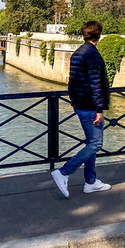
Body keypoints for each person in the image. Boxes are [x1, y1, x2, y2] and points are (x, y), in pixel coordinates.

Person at [51, 21, 112, 197]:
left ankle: (91, 182)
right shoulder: (92, 54)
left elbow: (72, 81)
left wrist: (74, 99)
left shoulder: (78, 53)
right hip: (90, 106)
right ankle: (63, 172)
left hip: (79, 103)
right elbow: (95, 84)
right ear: (99, 34)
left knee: (91, 143)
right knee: (96, 144)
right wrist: (99, 109)